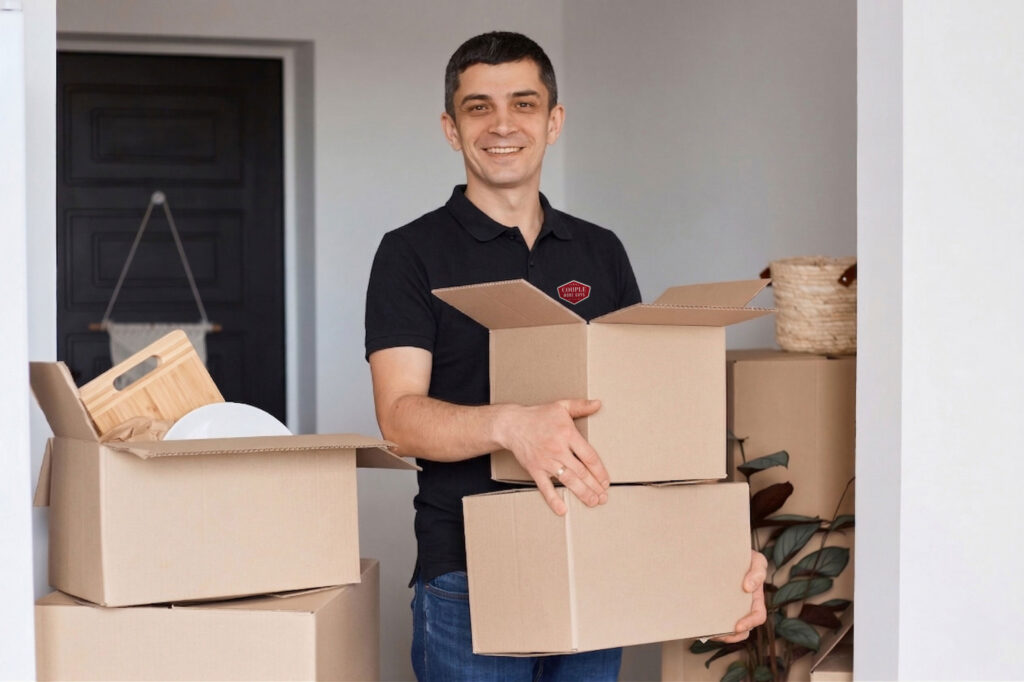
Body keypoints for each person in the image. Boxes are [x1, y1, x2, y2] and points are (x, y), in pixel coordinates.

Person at [365, 31, 767, 682]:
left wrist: (722, 558)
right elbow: (399, 419)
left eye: (523, 104)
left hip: (593, 553)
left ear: (554, 122)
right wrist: (511, 424)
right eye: (478, 106)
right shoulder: (410, 253)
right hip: (471, 572)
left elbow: (646, 426)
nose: (502, 124)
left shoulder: (599, 251)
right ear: (449, 126)